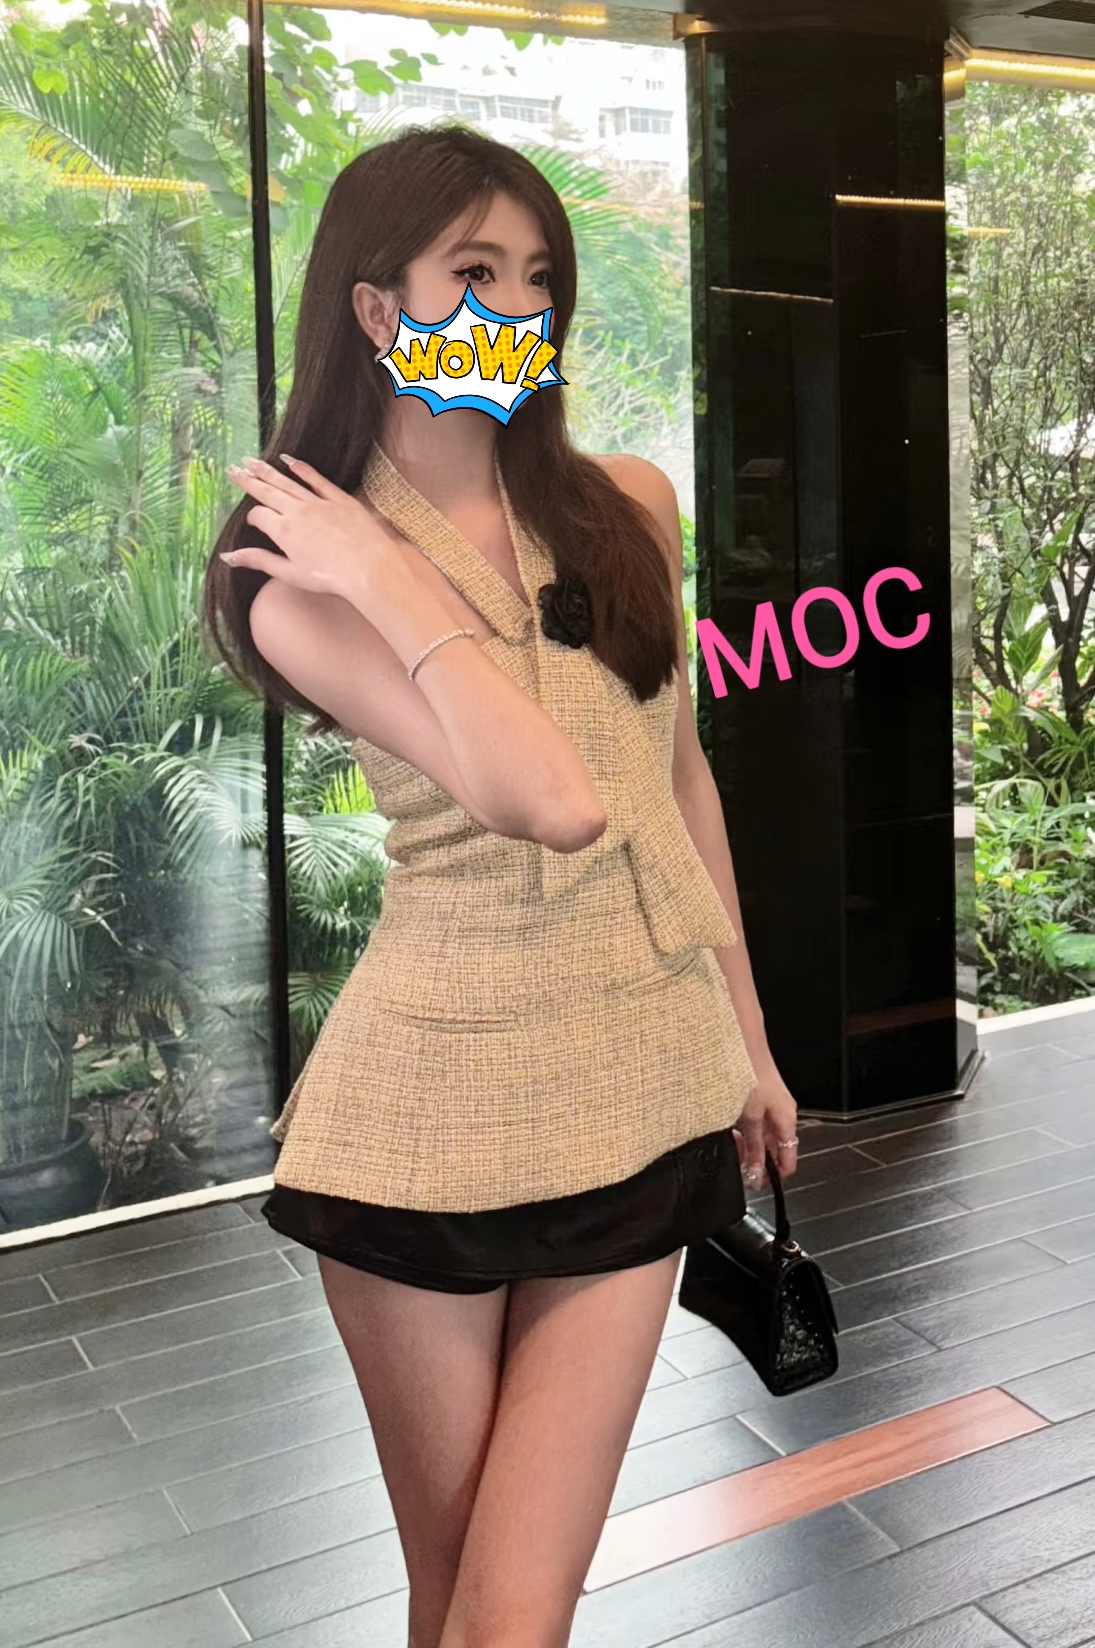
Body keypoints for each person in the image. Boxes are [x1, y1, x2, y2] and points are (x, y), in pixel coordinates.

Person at [205, 124, 798, 1648]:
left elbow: (672, 781)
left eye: (539, 277)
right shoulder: (297, 579)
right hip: (426, 1118)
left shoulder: (627, 504)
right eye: (475, 272)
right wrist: (386, 572)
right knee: (462, 1599)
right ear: (376, 306)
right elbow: (551, 797)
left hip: (640, 1081)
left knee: (512, 1608)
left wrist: (747, 1037)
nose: (517, 308)